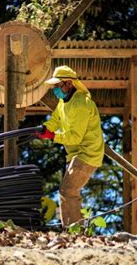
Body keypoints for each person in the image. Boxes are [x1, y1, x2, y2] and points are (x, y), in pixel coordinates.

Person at [39, 65, 104, 227]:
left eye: (57, 86)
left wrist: (53, 136)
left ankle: (74, 231)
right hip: (76, 155)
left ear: (68, 84)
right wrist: (46, 128)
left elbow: (75, 137)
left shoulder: (81, 104)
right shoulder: (64, 102)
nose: (55, 90)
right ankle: (72, 229)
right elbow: (55, 119)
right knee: (68, 191)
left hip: (88, 154)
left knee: (68, 191)